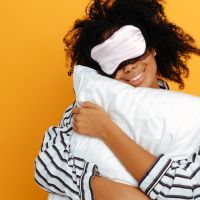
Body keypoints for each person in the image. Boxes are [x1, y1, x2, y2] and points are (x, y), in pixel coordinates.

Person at [34, 0, 200, 199]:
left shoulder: (189, 116)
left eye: (133, 53)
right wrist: (116, 193)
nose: (129, 67)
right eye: (115, 62)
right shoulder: (90, 105)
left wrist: (106, 130)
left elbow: (190, 187)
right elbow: (46, 166)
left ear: (153, 47)